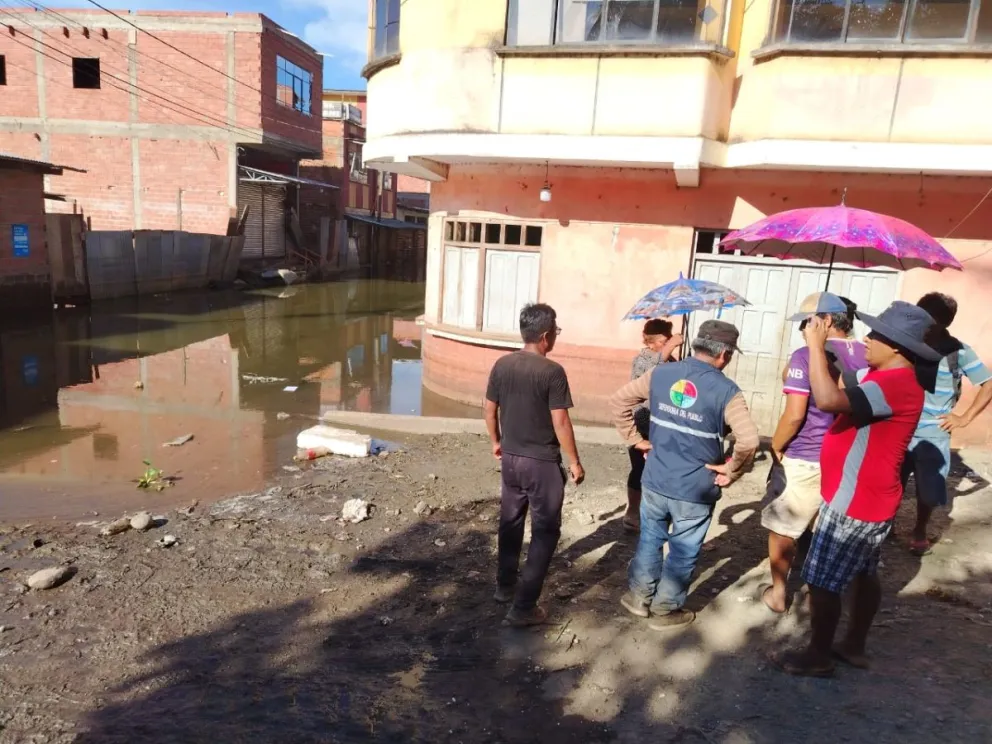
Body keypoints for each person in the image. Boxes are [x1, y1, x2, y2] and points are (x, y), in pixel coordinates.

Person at [772, 301, 940, 677]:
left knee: (821, 580)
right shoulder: (888, 378)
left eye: (876, 336)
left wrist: (815, 346)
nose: (866, 340)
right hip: (871, 497)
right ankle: (854, 645)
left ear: (896, 347)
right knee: (864, 573)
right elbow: (849, 393)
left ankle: (818, 656)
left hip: (854, 500)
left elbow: (830, 401)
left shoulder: (896, 384)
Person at [610, 320, 759, 629]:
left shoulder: (660, 373)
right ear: (724, 355)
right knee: (684, 547)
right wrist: (732, 470)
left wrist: (636, 440)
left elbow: (619, 401)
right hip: (696, 487)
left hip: (656, 477)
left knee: (650, 538)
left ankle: (639, 598)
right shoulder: (728, 391)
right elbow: (749, 441)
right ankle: (665, 610)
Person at [760, 293, 866, 613]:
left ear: (825, 321)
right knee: (824, 530)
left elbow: (794, 415)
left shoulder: (806, 355)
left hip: (804, 457)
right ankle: (814, 592)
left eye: (807, 322)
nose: (803, 328)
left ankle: (779, 593)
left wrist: (776, 446)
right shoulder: (868, 355)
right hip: (845, 459)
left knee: (784, 527)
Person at [484, 303, 585, 627]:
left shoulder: (502, 364)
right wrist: (575, 462)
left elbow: (489, 409)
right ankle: (524, 607)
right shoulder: (552, 372)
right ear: (545, 336)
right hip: (541, 464)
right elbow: (561, 422)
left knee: (510, 522)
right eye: (555, 332)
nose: (554, 337)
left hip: (511, 460)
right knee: (545, 531)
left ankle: (504, 586)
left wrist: (496, 441)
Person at [900, 293, 992, 556]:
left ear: (942, 322)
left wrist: (964, 418)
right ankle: (884, 526)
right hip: (900, 428)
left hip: (934, 432)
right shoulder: (907, 343)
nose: (920, 322)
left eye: (926, 318)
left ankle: (919, 529)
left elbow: (987, 384)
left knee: (928, 490)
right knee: (892, 481)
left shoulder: (958, 351)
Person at [624, 319, 683, 532]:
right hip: (642, 422)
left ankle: (659, 515)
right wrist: (670, 347)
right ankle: (632, 513)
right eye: (665, 340)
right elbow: (652, 371)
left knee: (664, 470)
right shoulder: (642, 359)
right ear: (653, 341)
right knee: (639, 469)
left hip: (665, 423)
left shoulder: (671, 359)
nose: (669, 342)